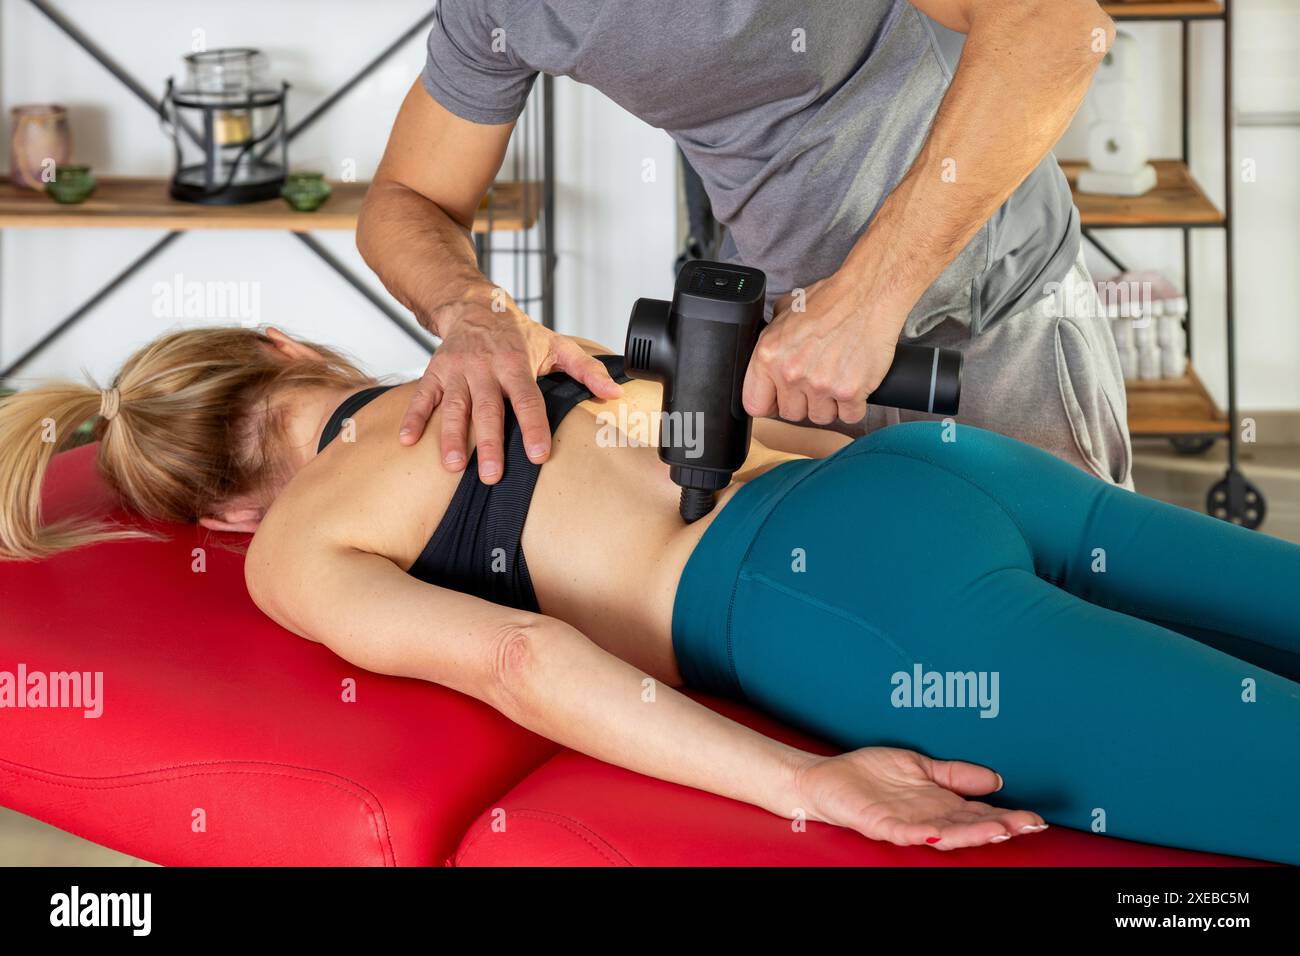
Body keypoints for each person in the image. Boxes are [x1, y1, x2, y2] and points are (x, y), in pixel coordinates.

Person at [2, 325, 1296, 864]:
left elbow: (523, 663)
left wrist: (809, 784)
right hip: (932, 474)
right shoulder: (506, 356)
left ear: (214, 517)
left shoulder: (293, 546)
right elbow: (719, 431)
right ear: (285, 350)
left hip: (864, 609)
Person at [357, 0, 1132, 490]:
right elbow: (405, 200)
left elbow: (1057, 25)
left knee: (1078, 630)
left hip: (992, 324)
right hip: (796, 367)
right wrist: (473, 309)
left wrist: (866, 300)